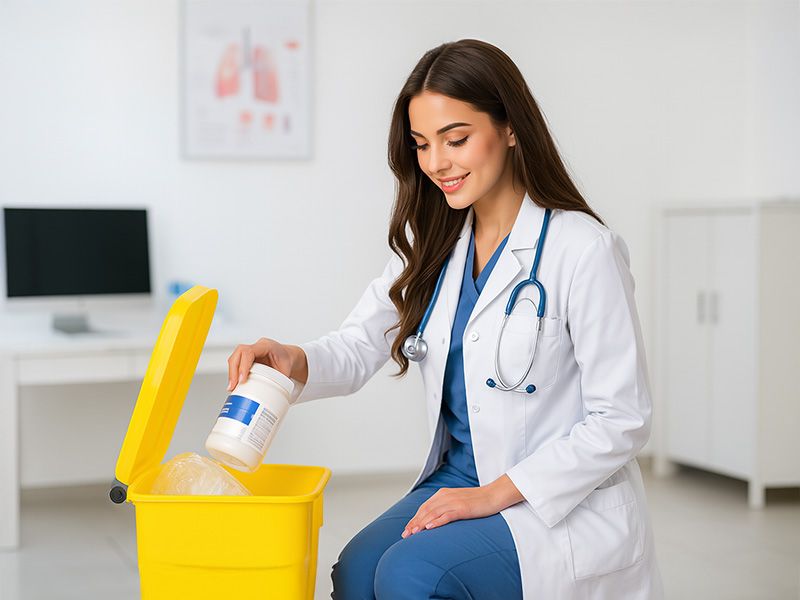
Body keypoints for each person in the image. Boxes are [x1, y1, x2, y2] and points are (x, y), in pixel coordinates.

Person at [227, 38, 663, 600]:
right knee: (358, 572)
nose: (436, 164)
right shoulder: (432, 241)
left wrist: (495, 493)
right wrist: (296, 359)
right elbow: (362, 342)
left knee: (411, 575)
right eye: (421, 145)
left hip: (554, 499)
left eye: (455, 139)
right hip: (458, 476)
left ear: (510, 128)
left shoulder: (582, 249)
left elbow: (622, 418)